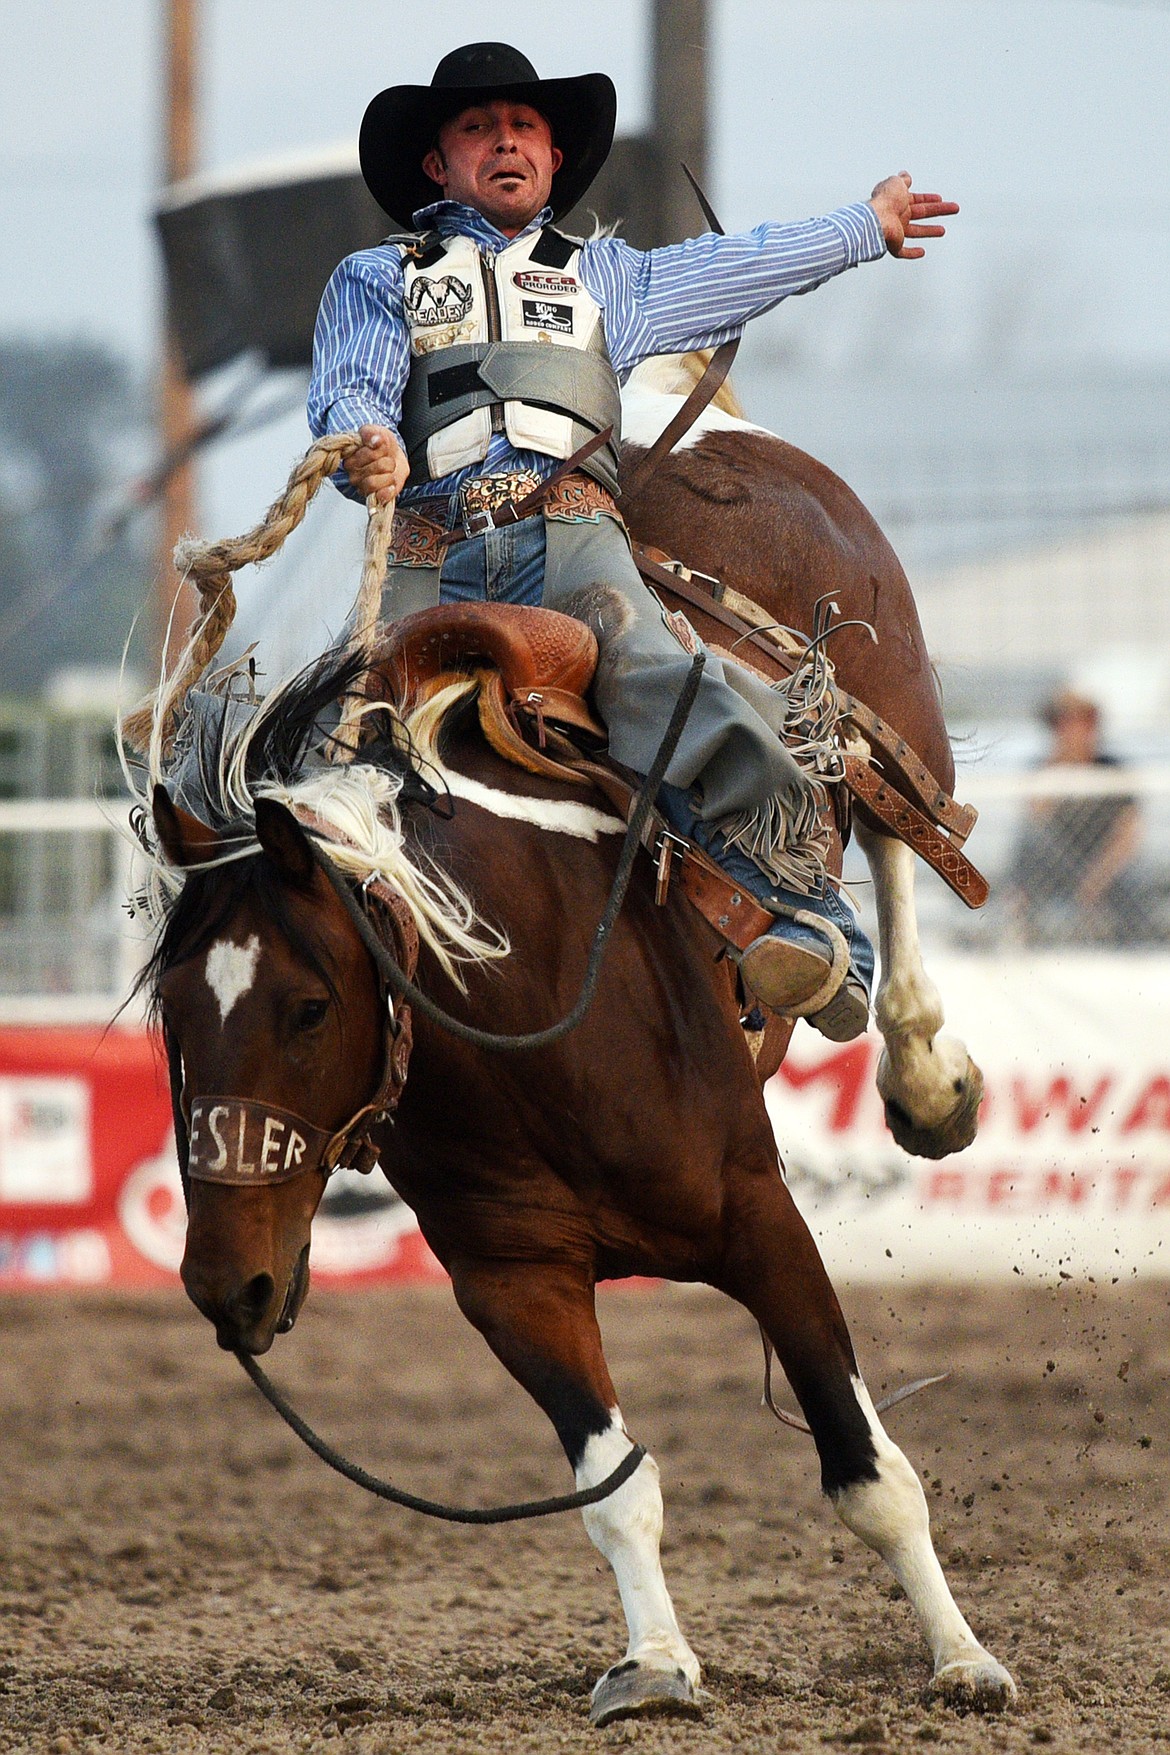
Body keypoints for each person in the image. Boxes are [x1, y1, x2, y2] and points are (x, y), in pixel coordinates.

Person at [308, 42, 959, 1040]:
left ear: (555, 159)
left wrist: (863, 227)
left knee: (661, 678)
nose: (506, 142)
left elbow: (740, 264)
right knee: (335, 738)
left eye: (524, 127)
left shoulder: (608, 278)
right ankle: (311, 982)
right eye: (479, 128)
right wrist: (369, 447)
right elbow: (351, 391)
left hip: (573, 547)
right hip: (427, 553)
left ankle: (813, 923)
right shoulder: (374, 278)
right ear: (438, 165)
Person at [1007, 688, 1145, 945]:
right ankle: (1020, 931)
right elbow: (1035, 819)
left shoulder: (1112, 769)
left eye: (1080, 722)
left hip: (1103, 866)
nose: (1072, 732)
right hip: (1058, 864)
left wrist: (1097, 878)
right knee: (1028, 844)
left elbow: (1129, 831)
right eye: (1064, 723)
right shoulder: (1043, 769)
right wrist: (1062, 766)